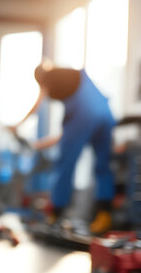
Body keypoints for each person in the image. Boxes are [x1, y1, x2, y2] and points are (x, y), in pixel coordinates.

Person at [13, 61, 115, 235]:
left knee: (64, 165)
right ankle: (104, 215)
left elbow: (39, 106)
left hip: (83, 116)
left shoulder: (49, 78)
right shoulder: (72, 74)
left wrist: (18, 125)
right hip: (106, 113)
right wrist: (39, 144)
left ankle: (55, 214)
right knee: (103, 167)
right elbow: (68, 133)